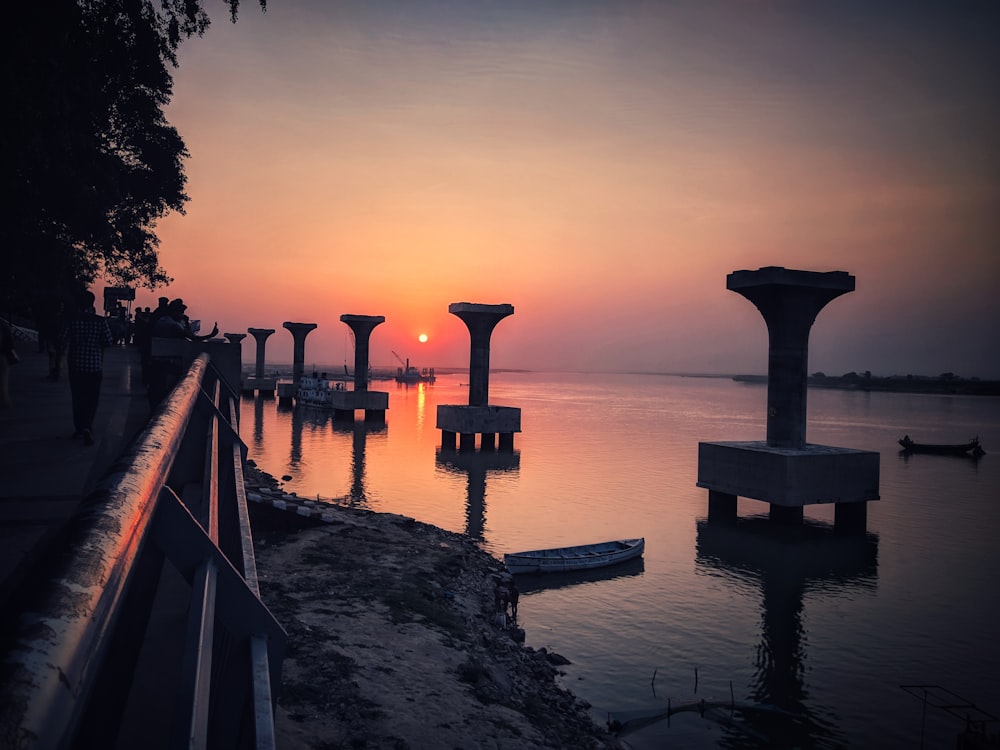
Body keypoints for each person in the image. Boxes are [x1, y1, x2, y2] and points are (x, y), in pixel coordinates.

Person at [61, 290, 113, 445]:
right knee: (92, 399)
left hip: (76, 367)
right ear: (92, 302)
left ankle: (79, 428)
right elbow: (109, 341)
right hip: (95, 366)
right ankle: (88, 426)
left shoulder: (72, 320)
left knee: (77, 398)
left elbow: (63, 341)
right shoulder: (100, 321)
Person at [1, 317, 18, 409]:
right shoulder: (2, 323)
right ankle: (4, 400)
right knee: (3, 379)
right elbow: (10, 342)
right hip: (2, 355)